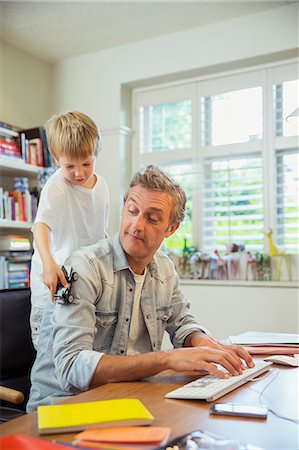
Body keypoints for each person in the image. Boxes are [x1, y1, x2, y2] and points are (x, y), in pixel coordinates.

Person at [27, 165, 253, 412]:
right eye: (132, 211)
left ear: (171, 229)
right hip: (62, 409)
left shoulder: (164, 269)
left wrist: (207, 345)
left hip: (125, 398)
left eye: (152, 218)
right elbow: (71, 367)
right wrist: (167, 359)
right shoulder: (84, 267)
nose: (136, 225)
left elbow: (182, 322)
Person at [30, 111, 110, 349]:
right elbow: (41, 225)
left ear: (96, 153)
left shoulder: (102, 186)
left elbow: (99, 232)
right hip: (52, 284)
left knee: (82, 351)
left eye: (87, 163)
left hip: (83, 283)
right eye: (70, 166)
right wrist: (48, 263)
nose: (79, 173)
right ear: (56, 158)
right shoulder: (56, 187)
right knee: (51, 351)